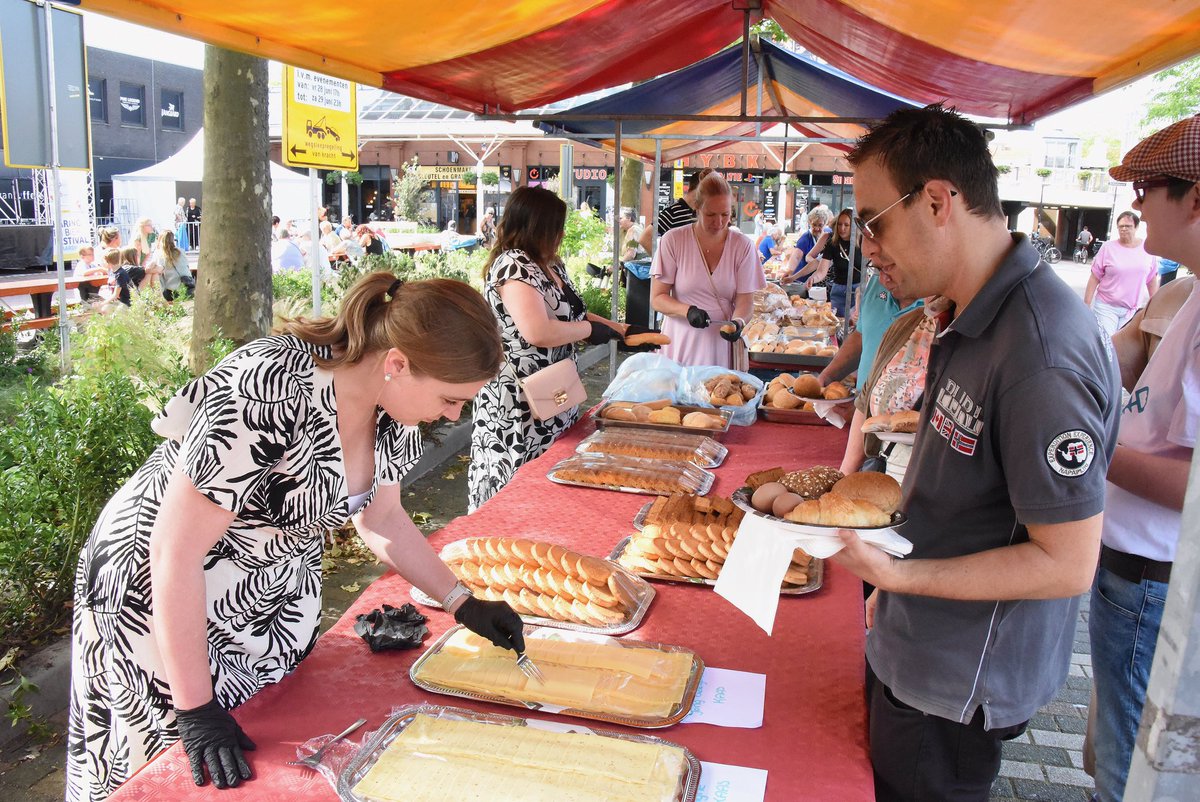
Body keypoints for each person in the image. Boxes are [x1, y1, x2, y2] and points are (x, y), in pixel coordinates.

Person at [66, 273, 525, 801]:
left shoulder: (392, 407)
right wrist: (193, 706)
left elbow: (382, 519)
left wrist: (462, 602)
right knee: (165, 769)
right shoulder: (267, 385)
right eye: (450, 399)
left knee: (258, 750)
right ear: (397, 363)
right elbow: (174, 551)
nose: (454, 415)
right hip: (156, 594)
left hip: (259, 593)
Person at [828, 104, 1119, 802]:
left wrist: (901, 580)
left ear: (936, 201)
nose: (864, 244)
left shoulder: (1041, 350)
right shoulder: (969, 308)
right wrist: (893, 595)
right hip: (919, 646)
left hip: (958, 683)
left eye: (873, 221)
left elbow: (1067, 561)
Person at [1085, 114, 1200, 802]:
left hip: (1153, 579)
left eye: (1148, 188)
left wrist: (1088, 449)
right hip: (1134, 573)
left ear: (1195, 198)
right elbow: (1120, 354)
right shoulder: (1183, 290)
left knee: (1134, 776)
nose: (1135, 205)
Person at [467, 186, 633, 512]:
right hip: (519, 403)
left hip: (554, 391)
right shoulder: (512, 266)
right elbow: (537, 331)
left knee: (553, 472)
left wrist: (621, 330)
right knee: (516, 483)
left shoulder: (549, 263)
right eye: (556, 226)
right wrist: (590, 331)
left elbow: (575, 313)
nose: (560, 233)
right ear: (537, 225)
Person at [650, 172, 765, 369]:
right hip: (681, 340)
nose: (719, 223)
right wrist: (687, 311)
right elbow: (657, 298)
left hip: (720, 343)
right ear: (697, 207)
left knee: (720, 393)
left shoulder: (743, 246)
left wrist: (738, 322)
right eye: (711, 214)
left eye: (725, 215)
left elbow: (745, 301)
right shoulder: (673, 240)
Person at [1085, 211, 1159, 335]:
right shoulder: (1108, 248)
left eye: (1128, 226)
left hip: (1132, 310)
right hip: (1106, 306)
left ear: (1136, 227)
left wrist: (1156, 306)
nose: (1124, 229)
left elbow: (1151, 280)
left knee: (1124, 348)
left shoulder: (1147, 250)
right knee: (1108, 343)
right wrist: (1086, 305)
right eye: (1121, 226)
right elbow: (1094, 277)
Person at [802, 207, 864, 318]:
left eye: (846, 225)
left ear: (853, 226)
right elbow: (821, 271)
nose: (842, 228)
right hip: (838, 291)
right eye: (839, 224)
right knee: (837, 325)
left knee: (855, 326)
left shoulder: (862, 242)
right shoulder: (832, 244)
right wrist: (813, 278)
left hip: (858, 292)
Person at [637, 168, 713, 253]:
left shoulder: (700, 212)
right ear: (700, 189)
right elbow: (644, 238)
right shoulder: (672, 212)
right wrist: (663, 261)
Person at [153, 229, 193, 301]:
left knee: (155, 275)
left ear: (160, 240)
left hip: (171, 293)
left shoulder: (159, 254)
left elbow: (157, 270)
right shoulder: (181, 251)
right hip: (188, 289)